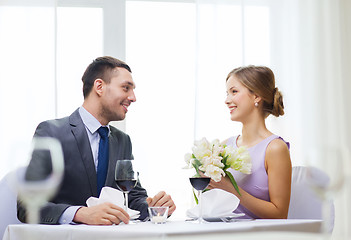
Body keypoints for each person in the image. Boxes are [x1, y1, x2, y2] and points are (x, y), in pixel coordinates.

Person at [17, 56, 176, 225]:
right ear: (99, 87)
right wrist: (80, 213)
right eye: (126, 88)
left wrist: (155, 207)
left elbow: (133, 198)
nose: (133, 97)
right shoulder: (52, 132)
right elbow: (26, 206)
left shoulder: (123, 141)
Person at [207, 65, 291, 219]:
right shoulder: (224, 146)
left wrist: (232, 190)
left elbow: (280, 214)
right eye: (227, 93)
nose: (227, 100)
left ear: (256, 96)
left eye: (234, 92)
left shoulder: (275, 148)